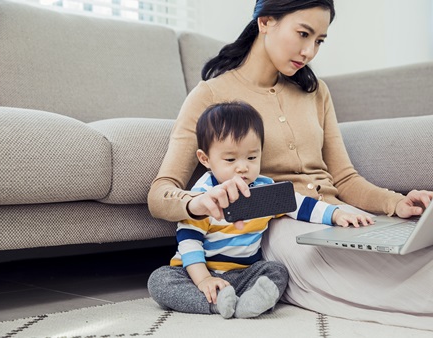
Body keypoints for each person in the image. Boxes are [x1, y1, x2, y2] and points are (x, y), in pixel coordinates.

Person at [147, 0, 433, 334]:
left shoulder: (315, 91)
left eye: (320, 40)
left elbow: (344, 178)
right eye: (303, 34)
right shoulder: (210, 96)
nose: (309, 51)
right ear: (266, 22)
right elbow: (161, 192)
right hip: (281, 224)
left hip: (338, 214)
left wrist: (395, 203)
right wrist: (197, 204)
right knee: (420, 273)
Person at [149, 101, 368, 319]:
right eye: (230, 159)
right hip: (197, 272)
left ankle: (246, 304)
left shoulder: (264, 190)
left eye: (252, 157)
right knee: (159, 281)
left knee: (277, 271)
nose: (243, 167)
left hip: (244, 273)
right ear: (205, 159)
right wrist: (204, 280)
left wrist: (336, 214)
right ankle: (216, 304)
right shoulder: (204, 195)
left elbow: (301, 205)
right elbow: (189, 242)